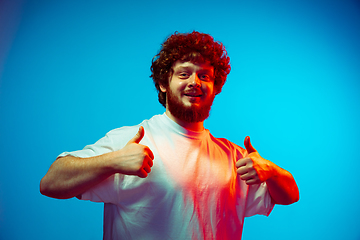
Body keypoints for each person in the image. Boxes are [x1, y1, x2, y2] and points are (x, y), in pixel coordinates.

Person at [40, 31, 299, 240]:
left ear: (215, 87)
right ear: (164, 83)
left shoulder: (233, 156)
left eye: (204, 76)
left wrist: (272, 171)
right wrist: (113, 161)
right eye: (184, 73)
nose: (195, 82)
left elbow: (288, 196)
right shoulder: (132, 141)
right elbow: (50, 183)